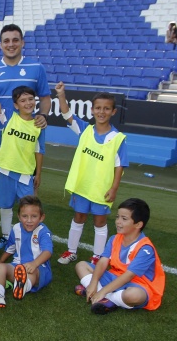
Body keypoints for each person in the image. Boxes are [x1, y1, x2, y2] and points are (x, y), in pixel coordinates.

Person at [0, 24, 50, 247]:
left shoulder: (36, 68)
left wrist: (43, 116)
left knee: (28, 195)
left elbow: (45, 98)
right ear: (0, 44)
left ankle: (29, 235)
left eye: (15, 40)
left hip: (25, 144)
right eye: (6, 40)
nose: (11, 44)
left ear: (22, 42)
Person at [54, 82, 128, 266]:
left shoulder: (117, 138)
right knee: (78, 217)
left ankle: (97, 256)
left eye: (106, 108)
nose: (101, 112)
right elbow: (66, 114)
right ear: (92, 110)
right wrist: (61, 94)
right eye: (98, 108)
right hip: (82, 186)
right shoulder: (85, 129)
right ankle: (71, 251)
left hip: (101, 189)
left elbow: (120, 166)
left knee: (100, 222)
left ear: (113, 112)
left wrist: (114, 188)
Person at [74, 198, 165, 314]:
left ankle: (105, 296)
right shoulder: (114, 238)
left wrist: (103, 291)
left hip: (138, 284)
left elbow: (128, 276)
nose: (118, 221)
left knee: (134, 296)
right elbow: (102, 262)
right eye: (117, 217)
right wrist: (93, 282)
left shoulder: (145, 248)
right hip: (115, 277)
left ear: (138, 224)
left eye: (124, 219)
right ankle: (101, 294)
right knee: (81, 265)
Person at [0, 76, 46, 249]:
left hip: (26, 173)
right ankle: (6, 237)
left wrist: (38, 174)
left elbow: (39, 150)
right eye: (23, 100)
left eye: (30, 99)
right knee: (5, 206)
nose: (27, 103)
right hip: (6, 170)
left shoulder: (38, 124)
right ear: (15, 104)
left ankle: (28, 239)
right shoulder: (9, 116)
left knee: (29, 207)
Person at [0, 196, 53, 306]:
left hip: (38, 268)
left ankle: (24, 286)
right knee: (1, 267)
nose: (29, 220)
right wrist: (1, 260)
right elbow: (11, 247)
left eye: (34, 216)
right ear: (19, 216)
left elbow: (47, 251)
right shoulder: (16, 228)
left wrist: (34, 263)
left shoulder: (43, 231)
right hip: (18, 265)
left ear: (41, 217)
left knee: (31, 272)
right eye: (24, 216)